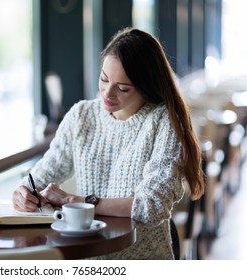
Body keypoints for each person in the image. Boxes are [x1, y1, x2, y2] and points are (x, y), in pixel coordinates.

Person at [12, 27, 205, 259]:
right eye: (104, 79)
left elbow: (151, 206)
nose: (107, 93)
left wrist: (77, 202)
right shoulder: (82, 115)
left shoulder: (164, 121)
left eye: (122, 88)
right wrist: (24, 193)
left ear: (146, 87)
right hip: (87, 258)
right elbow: (42, 174)